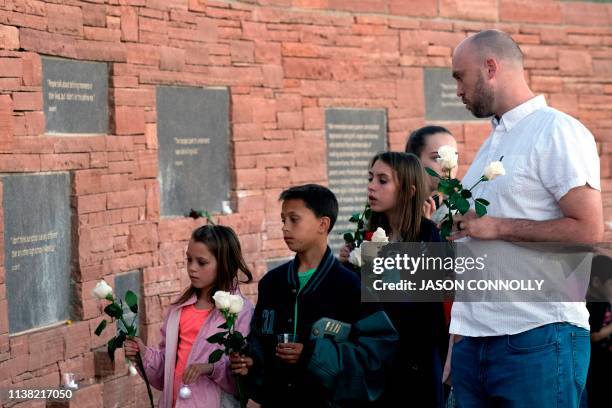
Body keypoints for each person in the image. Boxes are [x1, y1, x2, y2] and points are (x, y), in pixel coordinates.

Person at [447, 29, 604, 407]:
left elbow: (588, 229)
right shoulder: (492, 143)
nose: (457, 90)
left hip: (537, 338)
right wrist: (458, 343)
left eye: (459, 77)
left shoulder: (557, 131)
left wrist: (497, 226)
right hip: (475, 344)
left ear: (490, 68)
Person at [229, 184, 398, 407]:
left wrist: (312, 354)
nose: (285, 228)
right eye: (283, 220)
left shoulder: (350, 286)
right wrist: (251, 362)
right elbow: (260, 341)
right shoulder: (272, 283)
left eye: (294, 219)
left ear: (323, 224)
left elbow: (378, 354)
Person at [124, 225, 255, 408]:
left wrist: (210, 368)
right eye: (189, 259)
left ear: (225, 263)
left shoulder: (241, 312)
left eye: (201, 262)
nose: (192, 268)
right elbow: (165, 372)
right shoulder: (179, 308)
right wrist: (143, 354)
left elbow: (242, 380)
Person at [366, 152, 448, 407]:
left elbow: (431, 305)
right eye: (371, 178)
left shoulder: (428, 235)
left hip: (418, 356)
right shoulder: (371, 235)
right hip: (378, 356)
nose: (371, 186)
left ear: (409, 191)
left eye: (383, 180)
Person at [405, 125, 459, 221]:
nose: (448, 166)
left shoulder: (462, 212)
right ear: (414, 161)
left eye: (453, 158)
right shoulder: (391, 205)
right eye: (437, 158)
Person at [586, 255, 612, 407]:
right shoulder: (592, 306)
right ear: (596, 282)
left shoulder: (605, 300)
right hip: (597, 364)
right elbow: (593, 335)